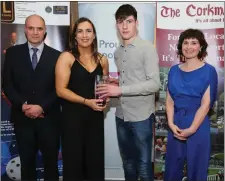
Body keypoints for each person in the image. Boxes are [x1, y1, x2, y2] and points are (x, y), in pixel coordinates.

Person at [96, 4, 160, 181]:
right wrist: (117, 82)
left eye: (129, 21)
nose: (124, 26)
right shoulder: (117, 52)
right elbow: (135, 78)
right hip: (121, 116)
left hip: (141, 118)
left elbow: (155, 84)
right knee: (128, 164)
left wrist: (120, 89)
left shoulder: (147, 48)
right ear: (116, 24)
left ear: (136, 23)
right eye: (120, 21)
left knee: (144, 167)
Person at [3, 14, 61, 181]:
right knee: (27, 166)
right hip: (23, 120)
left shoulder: (58, 56)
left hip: (49, 120)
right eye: (31, 28)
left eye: (39, 28)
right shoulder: (13, 54)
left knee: (51, 166)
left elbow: (60, 88)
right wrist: (22, 106)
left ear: (45, 31)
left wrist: (42, 107)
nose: (35, 32)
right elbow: (7, 85)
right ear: (25, 30)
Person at [55, 17, 109, 181]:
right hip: (72, 120)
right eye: (80, 31)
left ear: (94, 35)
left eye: (88, 31)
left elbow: (103, 88)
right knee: (74, 164)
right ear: (75, 36)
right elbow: (60, 90)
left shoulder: (102, 59)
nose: (84, 35)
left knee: (95, 163)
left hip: (95, 120)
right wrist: (86, 102)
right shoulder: (67, 57)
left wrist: (104, 100)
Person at [164, 29, 218, 181]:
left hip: (198, 125)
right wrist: (170, 123)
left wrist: (192, 129)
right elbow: (169, 100)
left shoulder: (209, 71)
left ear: (201, 47)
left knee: (197, 170)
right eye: (185, 43)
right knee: (172, 169)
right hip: (176, 124)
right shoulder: (173, 71)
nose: (189, 46)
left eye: (194, 43)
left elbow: (206, 104)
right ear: (181, 46)